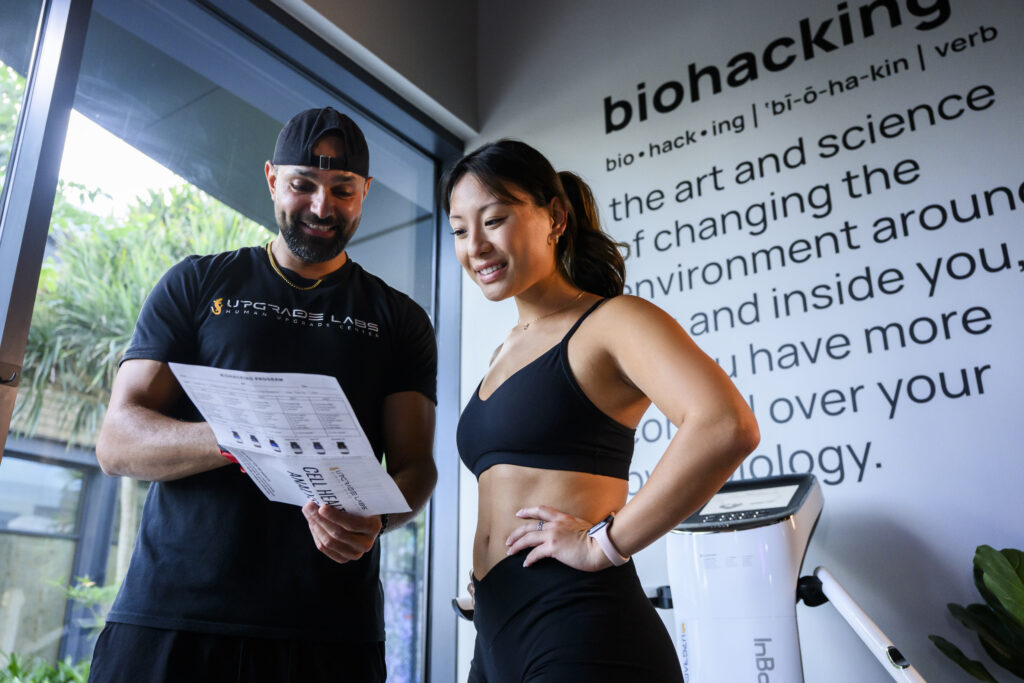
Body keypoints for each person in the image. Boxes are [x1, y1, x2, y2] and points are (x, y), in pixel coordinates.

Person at [89, 107, 438, 682]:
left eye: (342, 190)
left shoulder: (399, 319)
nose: (322, 207)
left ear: (364, 192)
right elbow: (117, 442)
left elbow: (414, 467)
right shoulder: (198, 283)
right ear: (274, 179)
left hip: (328, 630)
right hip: (173, 616)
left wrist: (376, 521)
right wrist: (241, 435)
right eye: (303, 185)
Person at [443, 139, 760, 682]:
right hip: (495, 632)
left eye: (494, 219)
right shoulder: (503, 351)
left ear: (555, 218)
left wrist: (603, 545)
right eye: (458, 229)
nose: (476, 245)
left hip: (579, 626)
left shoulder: (612, 321)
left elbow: (725, 425)